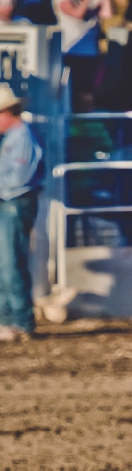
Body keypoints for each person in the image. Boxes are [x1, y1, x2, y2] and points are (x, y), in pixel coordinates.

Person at [0, 87, 44, 341]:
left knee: (10, 261)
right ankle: (11, 319)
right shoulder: (14, 137)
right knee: (8, 261)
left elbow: (19, 179)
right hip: (11, 201)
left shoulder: (22, 137)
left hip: (14, 202)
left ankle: (18, 320)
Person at [52, 0, 110, 112]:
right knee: (72, 92)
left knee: (88, 92)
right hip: (71, 50)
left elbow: (107, 13)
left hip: (91, 52)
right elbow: (77, 14)